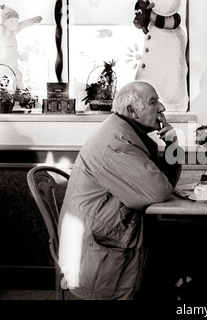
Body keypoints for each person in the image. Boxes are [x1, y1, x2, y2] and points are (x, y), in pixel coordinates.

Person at [58, 81, 183, 300]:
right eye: (153, 102)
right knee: (197, 246)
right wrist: (172, 148)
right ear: (131, 111)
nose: (162, 108)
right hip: (100, 245)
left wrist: (172, 145)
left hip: (110, 230)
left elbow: (161, 183)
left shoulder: (125, 132)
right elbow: (158, 191)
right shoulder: (117, 141)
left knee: (192, 241)